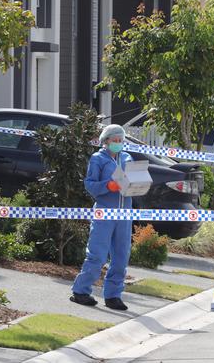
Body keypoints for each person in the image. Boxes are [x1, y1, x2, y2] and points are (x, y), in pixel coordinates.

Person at [71, 124, 133, 311]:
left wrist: (140, 184)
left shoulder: (128, 158)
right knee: (97, 254)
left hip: (124, 214)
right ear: (105, 141)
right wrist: (109, 185)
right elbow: (90, 185)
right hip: (104, 213)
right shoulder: (98, 159)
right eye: (114, 140)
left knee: (121, 257)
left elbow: (135, 179)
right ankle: (81, 291)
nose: (118, 143)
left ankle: (113, 296)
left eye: (121, 140)